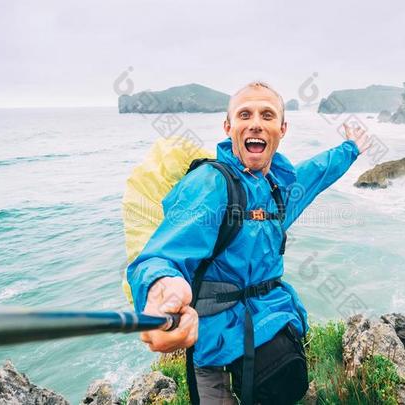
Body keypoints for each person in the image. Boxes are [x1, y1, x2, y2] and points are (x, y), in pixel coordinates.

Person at [127, 81, 369, 403]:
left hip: (263, 329)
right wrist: (161, 288)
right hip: (215, 353)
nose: (256, 122)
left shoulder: (277, 190)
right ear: (229, 127)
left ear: (282, 129)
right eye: (245, 114)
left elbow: (316, 173)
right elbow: (162, 256)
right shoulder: (211, 184)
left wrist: (350, 148)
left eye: (267, 115)